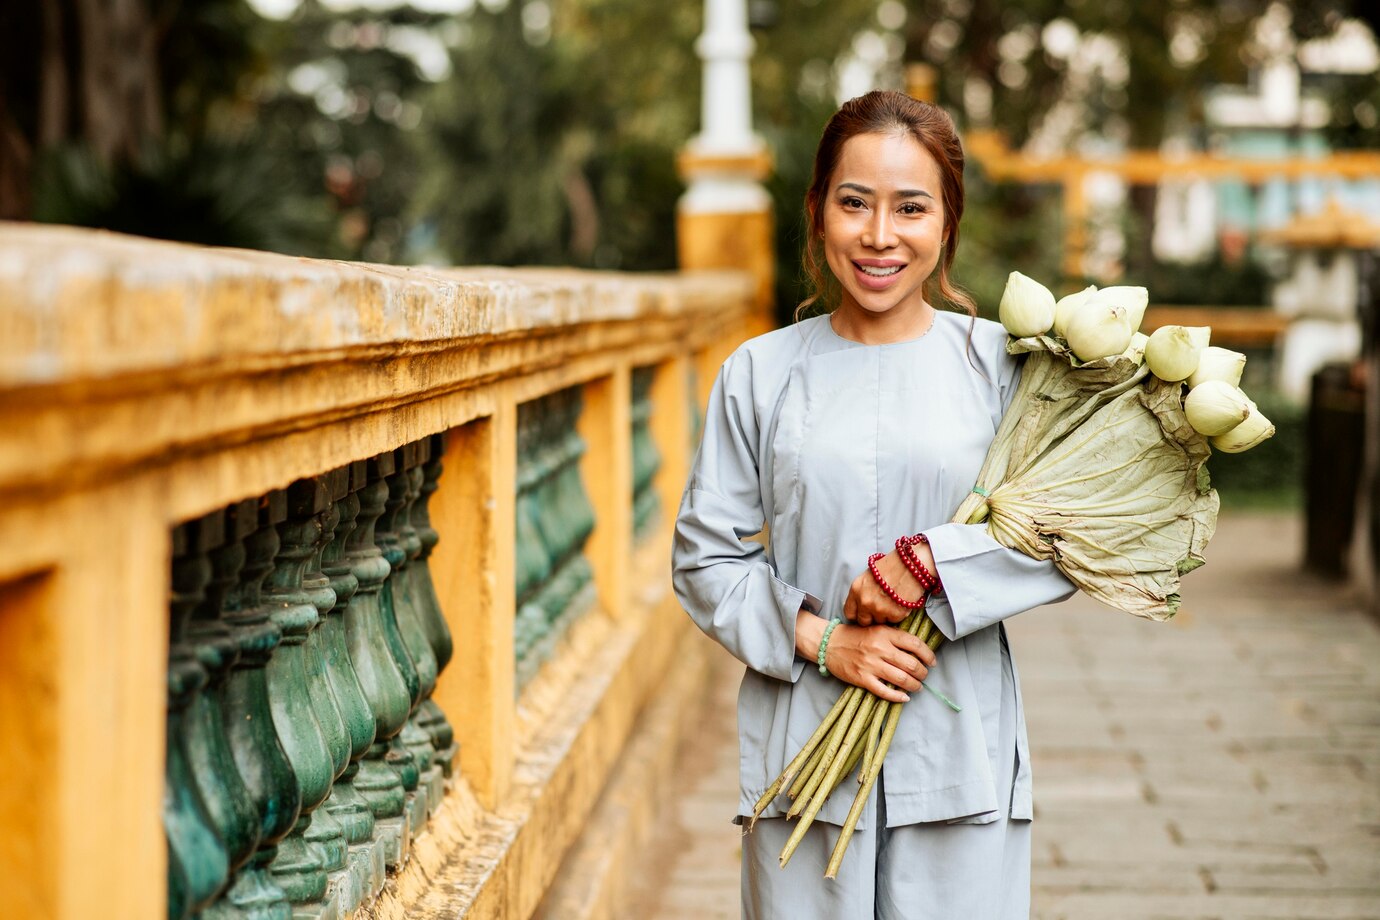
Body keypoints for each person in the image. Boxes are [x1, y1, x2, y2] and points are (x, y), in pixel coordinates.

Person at [671, 90, 1077, 918]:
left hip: (958, 748)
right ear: (819, 212)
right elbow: (704, 557)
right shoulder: (761, 372)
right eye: (854, 203)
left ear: (947, 221)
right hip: (804, 747)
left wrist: (929, 567)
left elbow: (1066, 531)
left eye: (911, 208)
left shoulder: (1004, 366)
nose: (880, 235)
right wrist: (824, 643)